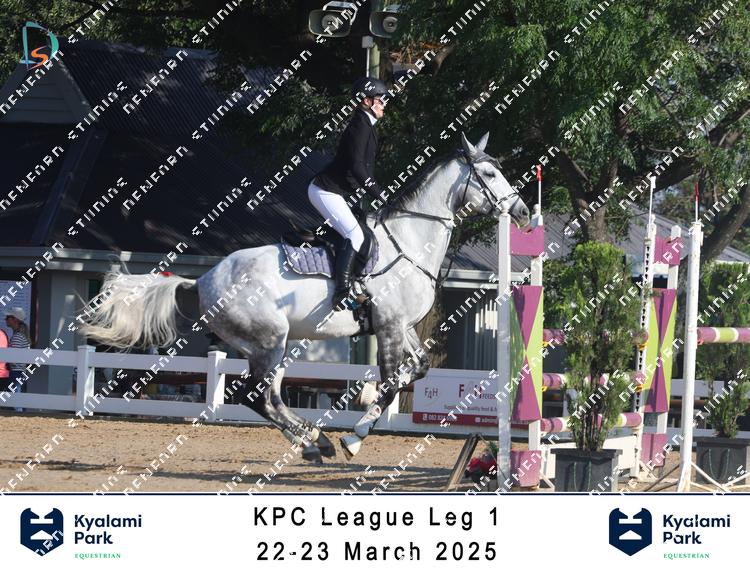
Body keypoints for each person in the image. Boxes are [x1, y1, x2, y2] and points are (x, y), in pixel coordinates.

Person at [308, 76, 388, 310]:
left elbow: (363, 169)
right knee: (354, 236)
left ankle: (354, 283)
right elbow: (357, 167)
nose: (384, 104)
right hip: (324, 191)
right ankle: (341, 293)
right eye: (379, 99)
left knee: (364, 234)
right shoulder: (359, 126)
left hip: (335, 192)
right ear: (365, 101)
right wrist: (378, 192)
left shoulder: (367, 125)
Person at [5, 307, 30, 412]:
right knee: (18, 398)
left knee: (16, 399)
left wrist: (8, 362)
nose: (6, 319)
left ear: (15, 319)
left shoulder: (17, 337)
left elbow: (13, 357)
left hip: (16, 372)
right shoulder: (21, 335)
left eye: (8, 317)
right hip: (20, 371)